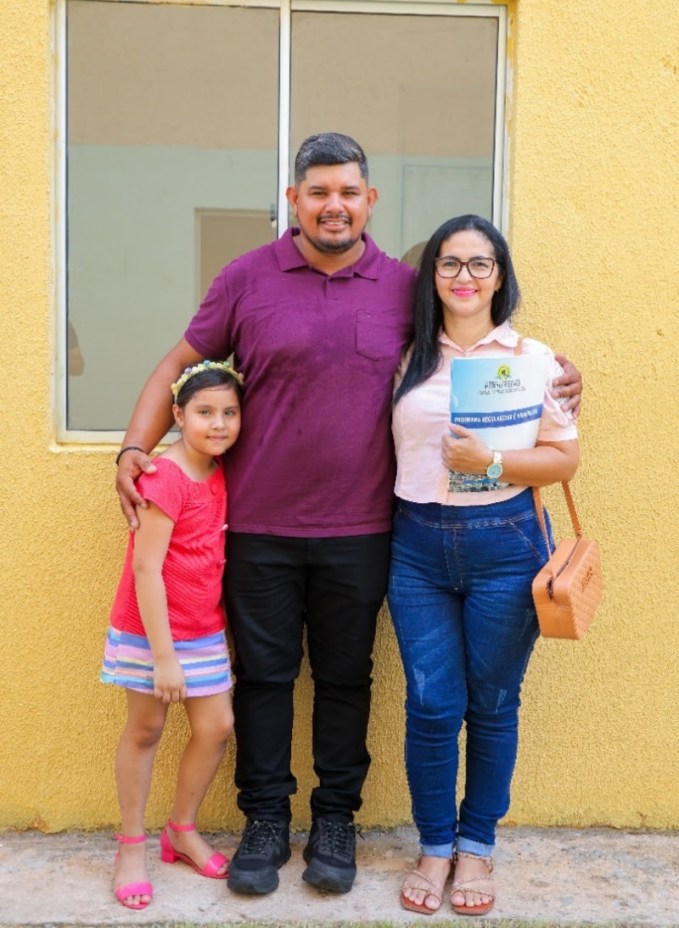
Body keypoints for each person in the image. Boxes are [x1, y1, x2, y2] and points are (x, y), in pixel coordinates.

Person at [114, 133, 583, 897]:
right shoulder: (246, 278)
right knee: (264, 678)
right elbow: (177, 365)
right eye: (318, 192)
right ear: (294, 200)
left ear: (370, 201)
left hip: (366, 530)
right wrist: (135, 448)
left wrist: (555, 377)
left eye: (347, 192)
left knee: (343, 679)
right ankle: (266, 819)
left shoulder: (403, 288)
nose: (333, 205)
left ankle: (335, 822)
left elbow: (473, 351)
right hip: (258, 526)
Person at [388, 215, 580, 917]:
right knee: (431, 704)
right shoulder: (404, 357)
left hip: (506, 543)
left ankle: (476, 846)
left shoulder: (534, 359)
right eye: (449, 263)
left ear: (499, 276)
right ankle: (435, 846)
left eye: (479, 263)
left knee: (493, 703)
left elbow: (563, 459)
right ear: (431, 275)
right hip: (415, 545)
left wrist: (491, 461)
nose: (463, 277)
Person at [102, 361, 243, 911]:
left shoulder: (222, 470)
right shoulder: (165, 476)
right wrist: (164, 658)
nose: (218, 424)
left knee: (217, 726)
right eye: (205, 412)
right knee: (146, 729)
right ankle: (131, 846)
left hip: (203, 629)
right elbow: (146, 569)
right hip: (151, 631)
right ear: (179, 415)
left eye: (229, 412)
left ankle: (181, 829)